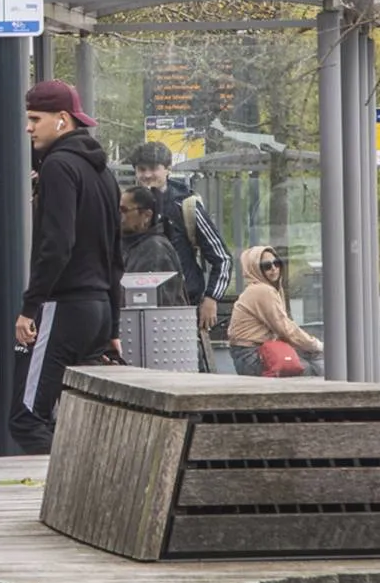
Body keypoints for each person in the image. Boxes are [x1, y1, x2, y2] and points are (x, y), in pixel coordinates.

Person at [14, 80, 122, 455]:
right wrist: (113, 324)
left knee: (27, 419)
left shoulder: (58, 167)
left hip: (63, 307)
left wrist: (30, 307)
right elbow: (115, 255)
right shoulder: (103, 173)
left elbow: (56, 245)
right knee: (77, 418)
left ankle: (50, 489)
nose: (28, 128)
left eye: (35, 119)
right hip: (97, 310)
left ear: (62, 119)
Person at [130, 141, 236, 368]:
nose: (147, 175)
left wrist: (211, 299)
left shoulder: (186, 205)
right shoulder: (126, 205)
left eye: (153, 168)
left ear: (168, 169)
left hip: (182, 307)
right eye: (141, 169)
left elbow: (223, 258)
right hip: (136, 309)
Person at [225, 244, 324, 376]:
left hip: (250, 353)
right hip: (252, 355)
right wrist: (315, 344)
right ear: (255, 268)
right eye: (266, 266)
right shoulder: (262, 290)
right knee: (309, 368)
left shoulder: (259, 288)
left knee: (309, 358)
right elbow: (285, 329)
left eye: (276, 263)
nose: (274, 268)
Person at [118, 185, 188, 305]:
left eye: (124, 210)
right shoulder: (127, 245)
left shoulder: (154, 249)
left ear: (147, 215)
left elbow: (155, 301)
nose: (119, 216)